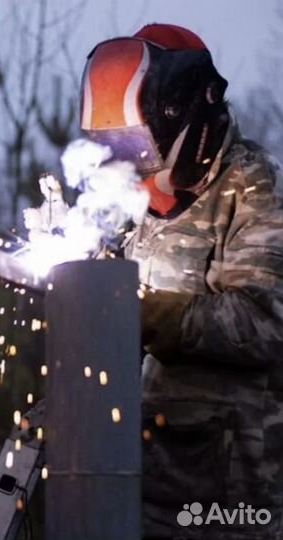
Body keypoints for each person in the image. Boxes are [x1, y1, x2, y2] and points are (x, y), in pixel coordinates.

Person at [80, 23, 283, 539]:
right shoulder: (127, 204)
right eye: (117, 146)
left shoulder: (256, 187)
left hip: (230, 500)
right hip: (139, 481)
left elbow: (264, 321)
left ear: (190, 111)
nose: (132, 165)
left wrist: (143, 310)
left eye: (137, 144)